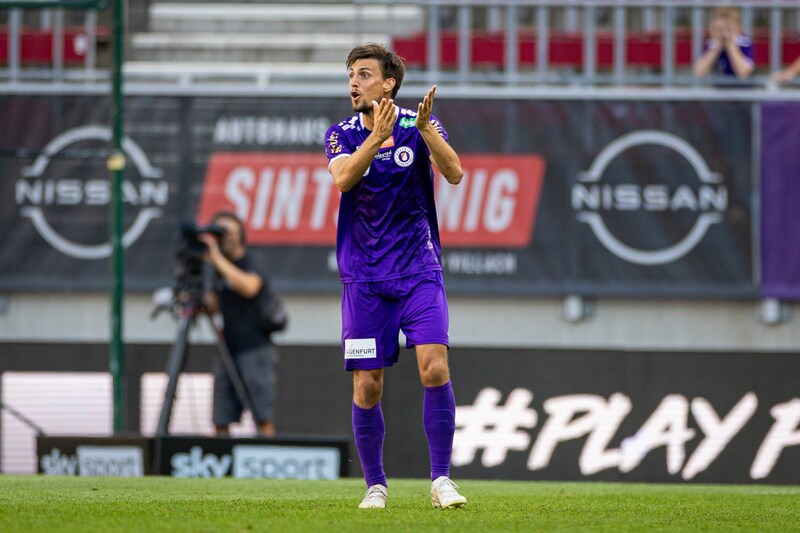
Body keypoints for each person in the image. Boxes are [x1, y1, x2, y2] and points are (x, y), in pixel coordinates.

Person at [324, 43, 466, 510]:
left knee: (435, 365)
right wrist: (374, 138)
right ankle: (375, 485)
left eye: (364, 75)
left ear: (389, 84)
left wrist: (426, 131)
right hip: (364, 278)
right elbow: (344, 180)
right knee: (367, 384)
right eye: (350, 76)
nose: (353, 83)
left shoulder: (417, 125)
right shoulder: (340, 134)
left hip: (417, 270)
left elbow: (455, 173)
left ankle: (442, 480)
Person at [200, 210, 278, 437]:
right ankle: (223, 466)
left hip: (255, 348)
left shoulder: (251, 261)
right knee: (221, 416)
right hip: (228, 349)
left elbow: (249, 287)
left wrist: (217, 260)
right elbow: (211, 306)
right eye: (219, 232)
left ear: (239, 234)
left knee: (262, 415)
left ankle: (267, 463)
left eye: (228, 231)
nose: (225, 237)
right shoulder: (216, 267)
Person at [692, 6, 754, 82]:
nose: (722, 34)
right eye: (717, 29)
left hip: (742, 91)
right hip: (718, 91)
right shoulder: (710, 44)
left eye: (727, 29)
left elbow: (744, 73)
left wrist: (731, 46)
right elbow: (699, 73)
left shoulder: (744, 43)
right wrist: (715, 49)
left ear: (737, 28)